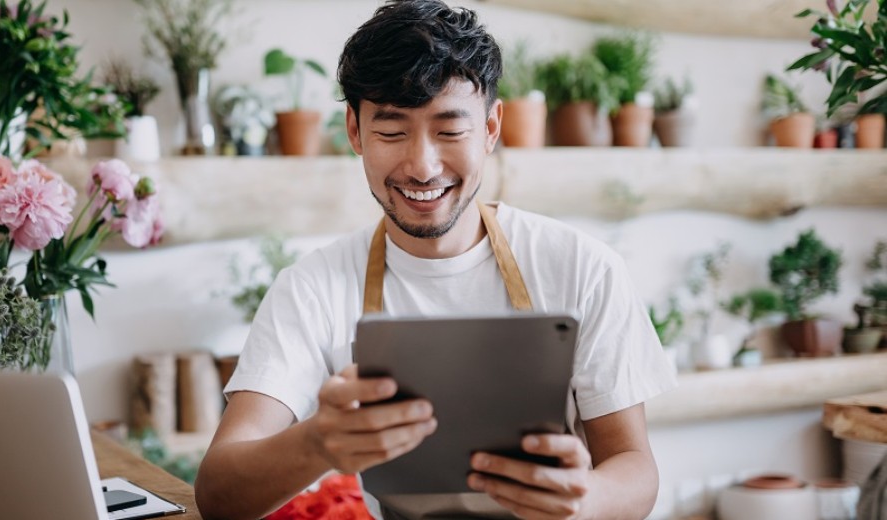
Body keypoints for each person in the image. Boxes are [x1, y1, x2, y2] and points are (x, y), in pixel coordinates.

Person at [194, 1, 677, 518]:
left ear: (491, 128)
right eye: (391, 132)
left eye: (450, 131)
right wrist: (315, 443)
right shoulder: (311, 289)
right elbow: (218, 492)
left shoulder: (584, 268)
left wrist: (586, 500)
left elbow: (634, 467)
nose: (422, 167)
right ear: (355, 131)